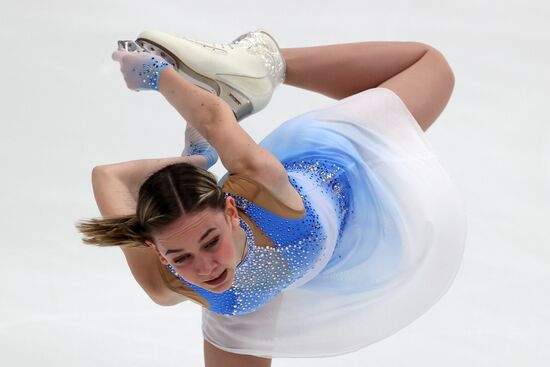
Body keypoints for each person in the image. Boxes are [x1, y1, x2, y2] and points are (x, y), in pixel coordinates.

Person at [77, 29, 466, 367]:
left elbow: (214, 118)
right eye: (180, 257)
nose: (205, 267)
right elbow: (107, 175)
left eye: (210, 240)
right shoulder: (163, 283)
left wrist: (157, 75)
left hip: (343, 161)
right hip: (251, 314)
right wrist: (193, 162)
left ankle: (267, 64)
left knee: (432, 69)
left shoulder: (263, 184)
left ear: (231, 209)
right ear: (158, 253)